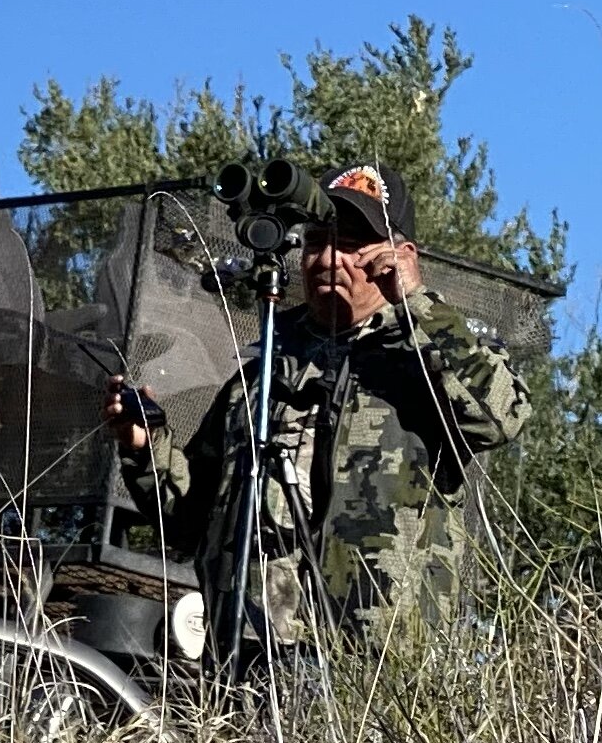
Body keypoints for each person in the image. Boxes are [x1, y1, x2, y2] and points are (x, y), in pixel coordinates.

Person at [111, 162, 527, 651]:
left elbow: (502, 417)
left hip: (379, 675)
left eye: (351, 243)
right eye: (315, 242)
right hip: (250, 660)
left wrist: (416, 301)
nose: (329, 258)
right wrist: (144, 447)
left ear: (401, 255)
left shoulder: (428, 360)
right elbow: (186, 524)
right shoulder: (262, 373)